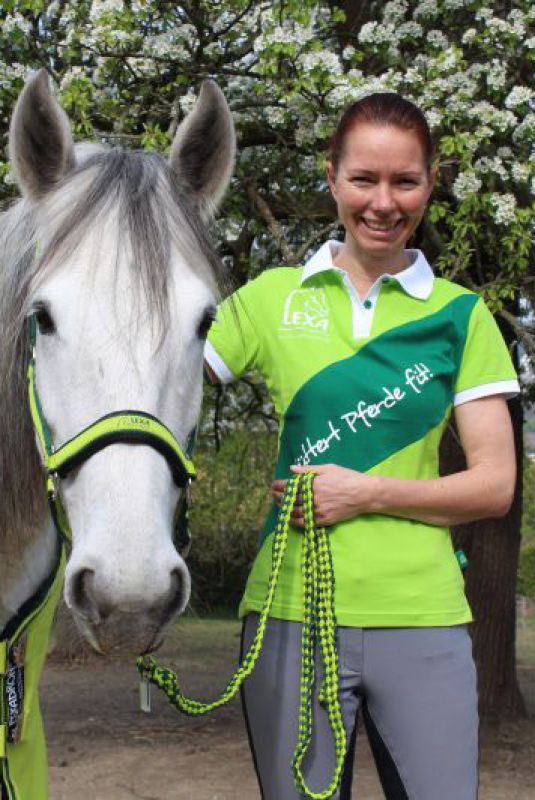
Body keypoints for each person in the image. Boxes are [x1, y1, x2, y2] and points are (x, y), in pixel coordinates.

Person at [203, 93, 519, 800]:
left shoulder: (461, 315)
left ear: (430, 182)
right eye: (363, 180)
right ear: (331, 177)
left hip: (424, 617)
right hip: (288, 611)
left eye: (404, 181)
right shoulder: (268, 299)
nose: (383, 202)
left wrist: (365, 491)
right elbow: (151, 373)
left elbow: (493, 487)